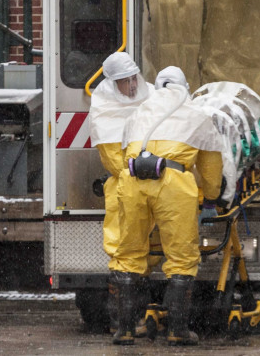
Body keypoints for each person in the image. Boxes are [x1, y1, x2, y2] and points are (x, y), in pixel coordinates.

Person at [109, 66, 224, 346]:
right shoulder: (197, 115)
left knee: (128, 254)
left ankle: (124, 330)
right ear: (185, 87)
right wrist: (211, 196)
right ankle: (177, 330)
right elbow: (211, 171)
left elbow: (125, 154)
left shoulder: (138, 113)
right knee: (182, 257)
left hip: (133, 179)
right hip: (172, 183)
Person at [89, 52, 153, 336]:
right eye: (125, 81)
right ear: (114, 83)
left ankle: (140, 315)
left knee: (150, 250)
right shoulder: (105, 108)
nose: (131, 86)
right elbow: (113, 159)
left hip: (150, 181)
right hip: (125, 186)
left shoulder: (148, 96)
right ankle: (123, 320)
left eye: (132, 79)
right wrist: (138, 171)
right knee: (123, 250)